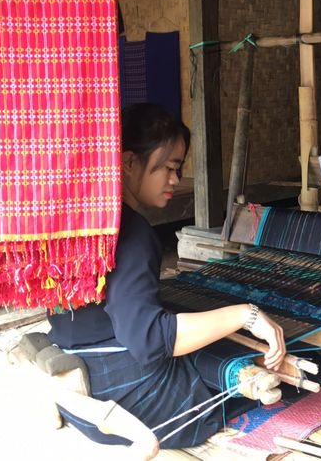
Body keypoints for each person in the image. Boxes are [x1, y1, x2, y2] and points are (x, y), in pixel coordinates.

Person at [47, 103, 286, 448]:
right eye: (169, 168)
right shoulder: (133, 232)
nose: (175, 180)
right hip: (122, 405)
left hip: (75, 392)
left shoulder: (85, 219)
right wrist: (246, 315)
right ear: (129, 163)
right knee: (231, 367)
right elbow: (148, 339)